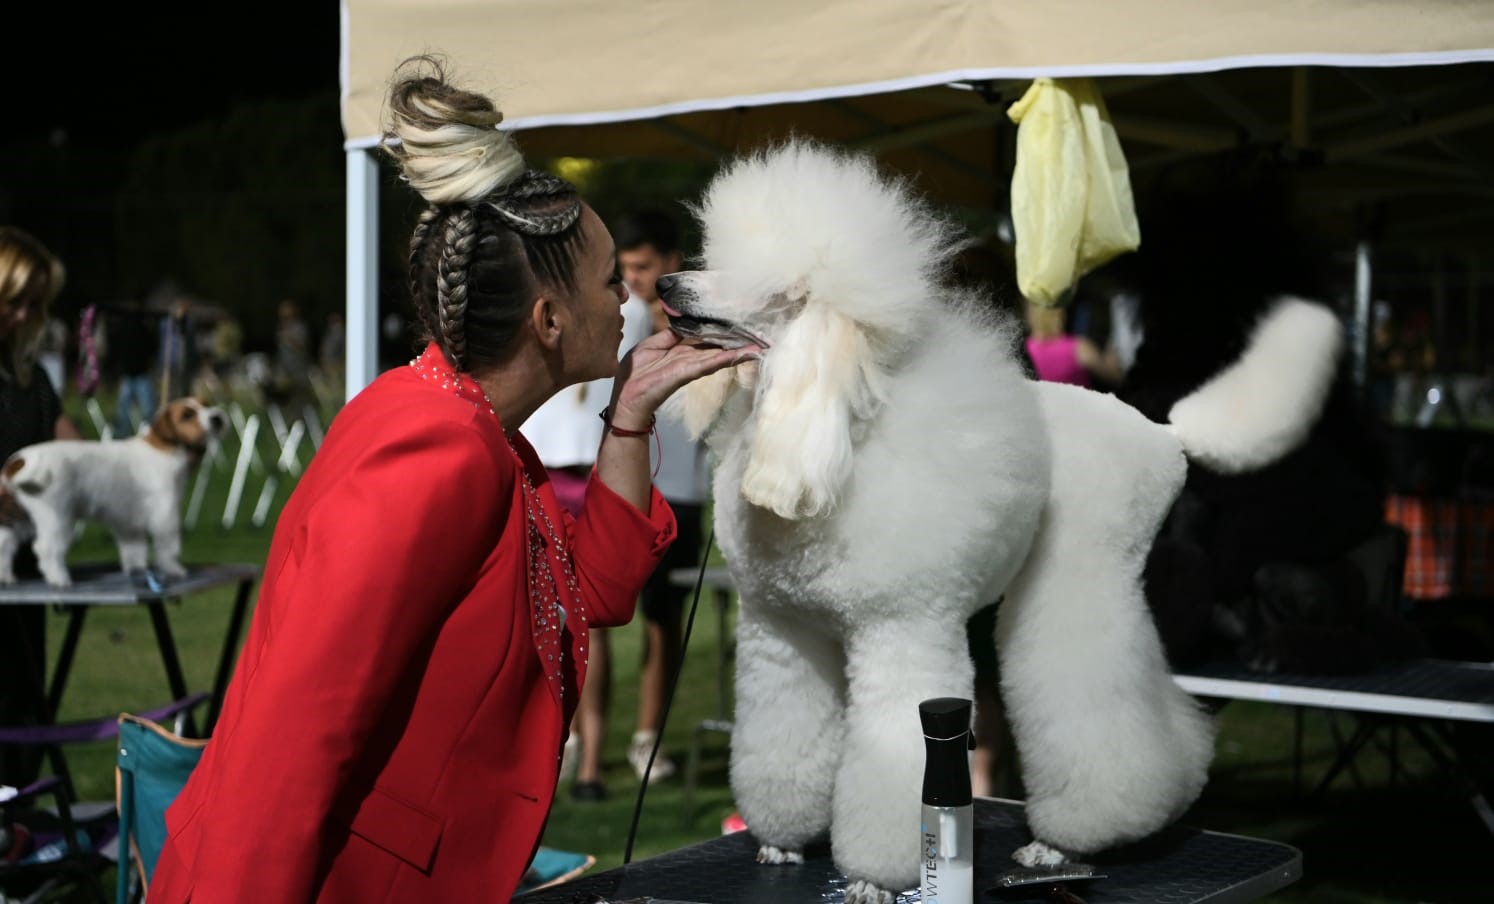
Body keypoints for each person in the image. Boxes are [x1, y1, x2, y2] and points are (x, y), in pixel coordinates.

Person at [148, 55, 757, 902]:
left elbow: (595, 596)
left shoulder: (482, 432)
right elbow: (291, 737)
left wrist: (631, 413)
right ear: (549, 321)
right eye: (610, 279)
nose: (628, 300)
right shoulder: (434, 452)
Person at [523, 285, 651, 803]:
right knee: (557, 623)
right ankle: (571, 753)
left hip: (579, 472)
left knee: (581, 622)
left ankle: (581, 756)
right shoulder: (546, 302)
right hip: (558, 470)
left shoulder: (628, 309)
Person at [614, 209, 710, 785]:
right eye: (625, 269)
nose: (635, 279)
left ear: (672, 263)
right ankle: (582, 736)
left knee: (662, 620)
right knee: (603, 618)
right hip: (630, 486)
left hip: (681, 492)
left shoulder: (698, 322)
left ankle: (648, 739)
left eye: (644, 267)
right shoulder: (620, 318)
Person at [0, 226, 81, 785]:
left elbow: (67, 443)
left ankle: (21, 844)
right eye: (15, 303)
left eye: (37, 305)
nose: (27, 316)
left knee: (25, 714)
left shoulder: (28, 376)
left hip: (24, 576)